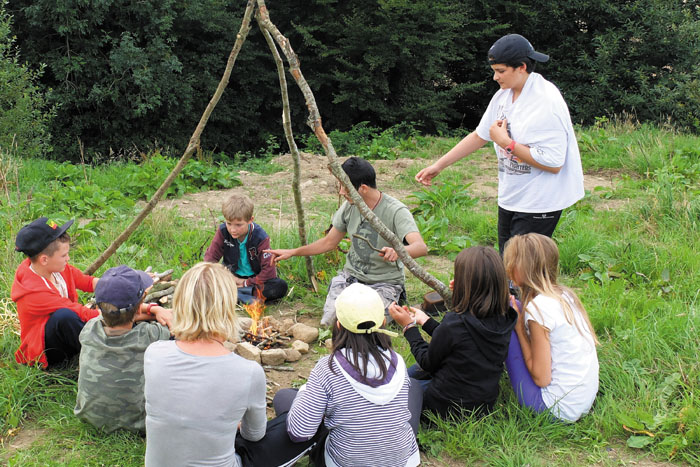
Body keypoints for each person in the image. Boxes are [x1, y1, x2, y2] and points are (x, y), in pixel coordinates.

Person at [415, 34, 584, 254]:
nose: (495, 77)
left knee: (524, 274)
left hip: (539, 203)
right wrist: (438, 166)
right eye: (494, 70)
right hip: (511, 197)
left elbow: (553, 163)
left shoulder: (546, 102)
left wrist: (506, 143)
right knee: (508, 267)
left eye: (501, 71)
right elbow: (480, 135)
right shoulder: (503, 96)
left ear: (521, 67)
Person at [143, 262, 317, 466]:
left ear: (180, 303)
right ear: (227, 308)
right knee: (303, 423)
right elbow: (254, 435)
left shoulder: (154, 353)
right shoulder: (248, 372)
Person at [267, 157, 428, 326]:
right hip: (351, 278)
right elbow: (329, 242)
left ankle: (394, 306)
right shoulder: (349, 206)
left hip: (384, 283)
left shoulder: (396, 211)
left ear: (363, 188)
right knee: (332, 322)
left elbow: (420, 247)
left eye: (345, 187)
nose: (341, 192)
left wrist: (399, 251)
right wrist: (292, 252)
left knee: (367, 325)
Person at [275, 283, 421, 467]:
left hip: (343, 462)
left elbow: (299, 432)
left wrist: (306, 390)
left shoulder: (328, 369)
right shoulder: (397, 361)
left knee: (283, 397)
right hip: (400, 462)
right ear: (382, 323)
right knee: (414, 387)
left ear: (338, 325)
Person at [389, 246, 517, 418]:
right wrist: (425, 321)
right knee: (409, 373)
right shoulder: (505, 316)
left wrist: (409, 328)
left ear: (465, 284)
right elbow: (461, 340)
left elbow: (428, 361)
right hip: (484, 402)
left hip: (447, 406)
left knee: (401, 384)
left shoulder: (455, 323)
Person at [503, 233, 599, 422]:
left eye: (511, 262)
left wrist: (519, 330)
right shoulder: (565, 296)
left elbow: (542, 379)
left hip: (555, 409)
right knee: (515, 309)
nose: (508, 267)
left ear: (523, 268)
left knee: (506, 317)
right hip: (581, 402)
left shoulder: (538, 310)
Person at [74, 265, 173, 433]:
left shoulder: (89, 329)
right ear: (141, 301)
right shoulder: (150, 335)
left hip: (90, 417)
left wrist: (151, 309)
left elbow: (116, 314)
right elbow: (176, 325)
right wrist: (156, 310)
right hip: (137, 424)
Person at [11, 217, 100, 368]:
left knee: (70, 316)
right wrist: (117, 315)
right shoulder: (34, 292)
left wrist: (121, 284)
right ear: (44, 259)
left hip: (65, 333)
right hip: (45, 351)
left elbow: (86, 281)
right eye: (64, 255)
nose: (68, 258)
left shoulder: (56, 269)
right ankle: (103, 352)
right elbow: (79, 312)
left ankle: (103, 341)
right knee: (64, 316)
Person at [204, 193, 288, 304]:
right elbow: (209, 259)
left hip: (254, 280)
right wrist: (227, 276)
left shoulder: (260, 237)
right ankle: (244, 297)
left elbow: (269, 272)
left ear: (250, 220)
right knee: (204, 280)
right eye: (229, 223)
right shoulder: (223, 231)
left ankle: (231, 296)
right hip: (230, 278)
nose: (233, 229)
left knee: (279, 286)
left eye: (238, 225)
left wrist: (245, 283)